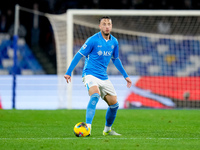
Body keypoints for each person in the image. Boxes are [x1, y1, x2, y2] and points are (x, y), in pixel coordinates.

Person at [64, 16, 132, 136]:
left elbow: (115, 59)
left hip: (103, 77)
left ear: (111, 26)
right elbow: (79, 54)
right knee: (95, 95)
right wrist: (69, 72)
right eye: (104, 24)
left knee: (114, 105)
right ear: (100, 26)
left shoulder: (114, 42)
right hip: (90, 74)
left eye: (109, 24)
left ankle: (107, 130)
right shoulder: (93, 40)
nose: (107, 26)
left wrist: (125, 75)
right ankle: (88, 128)